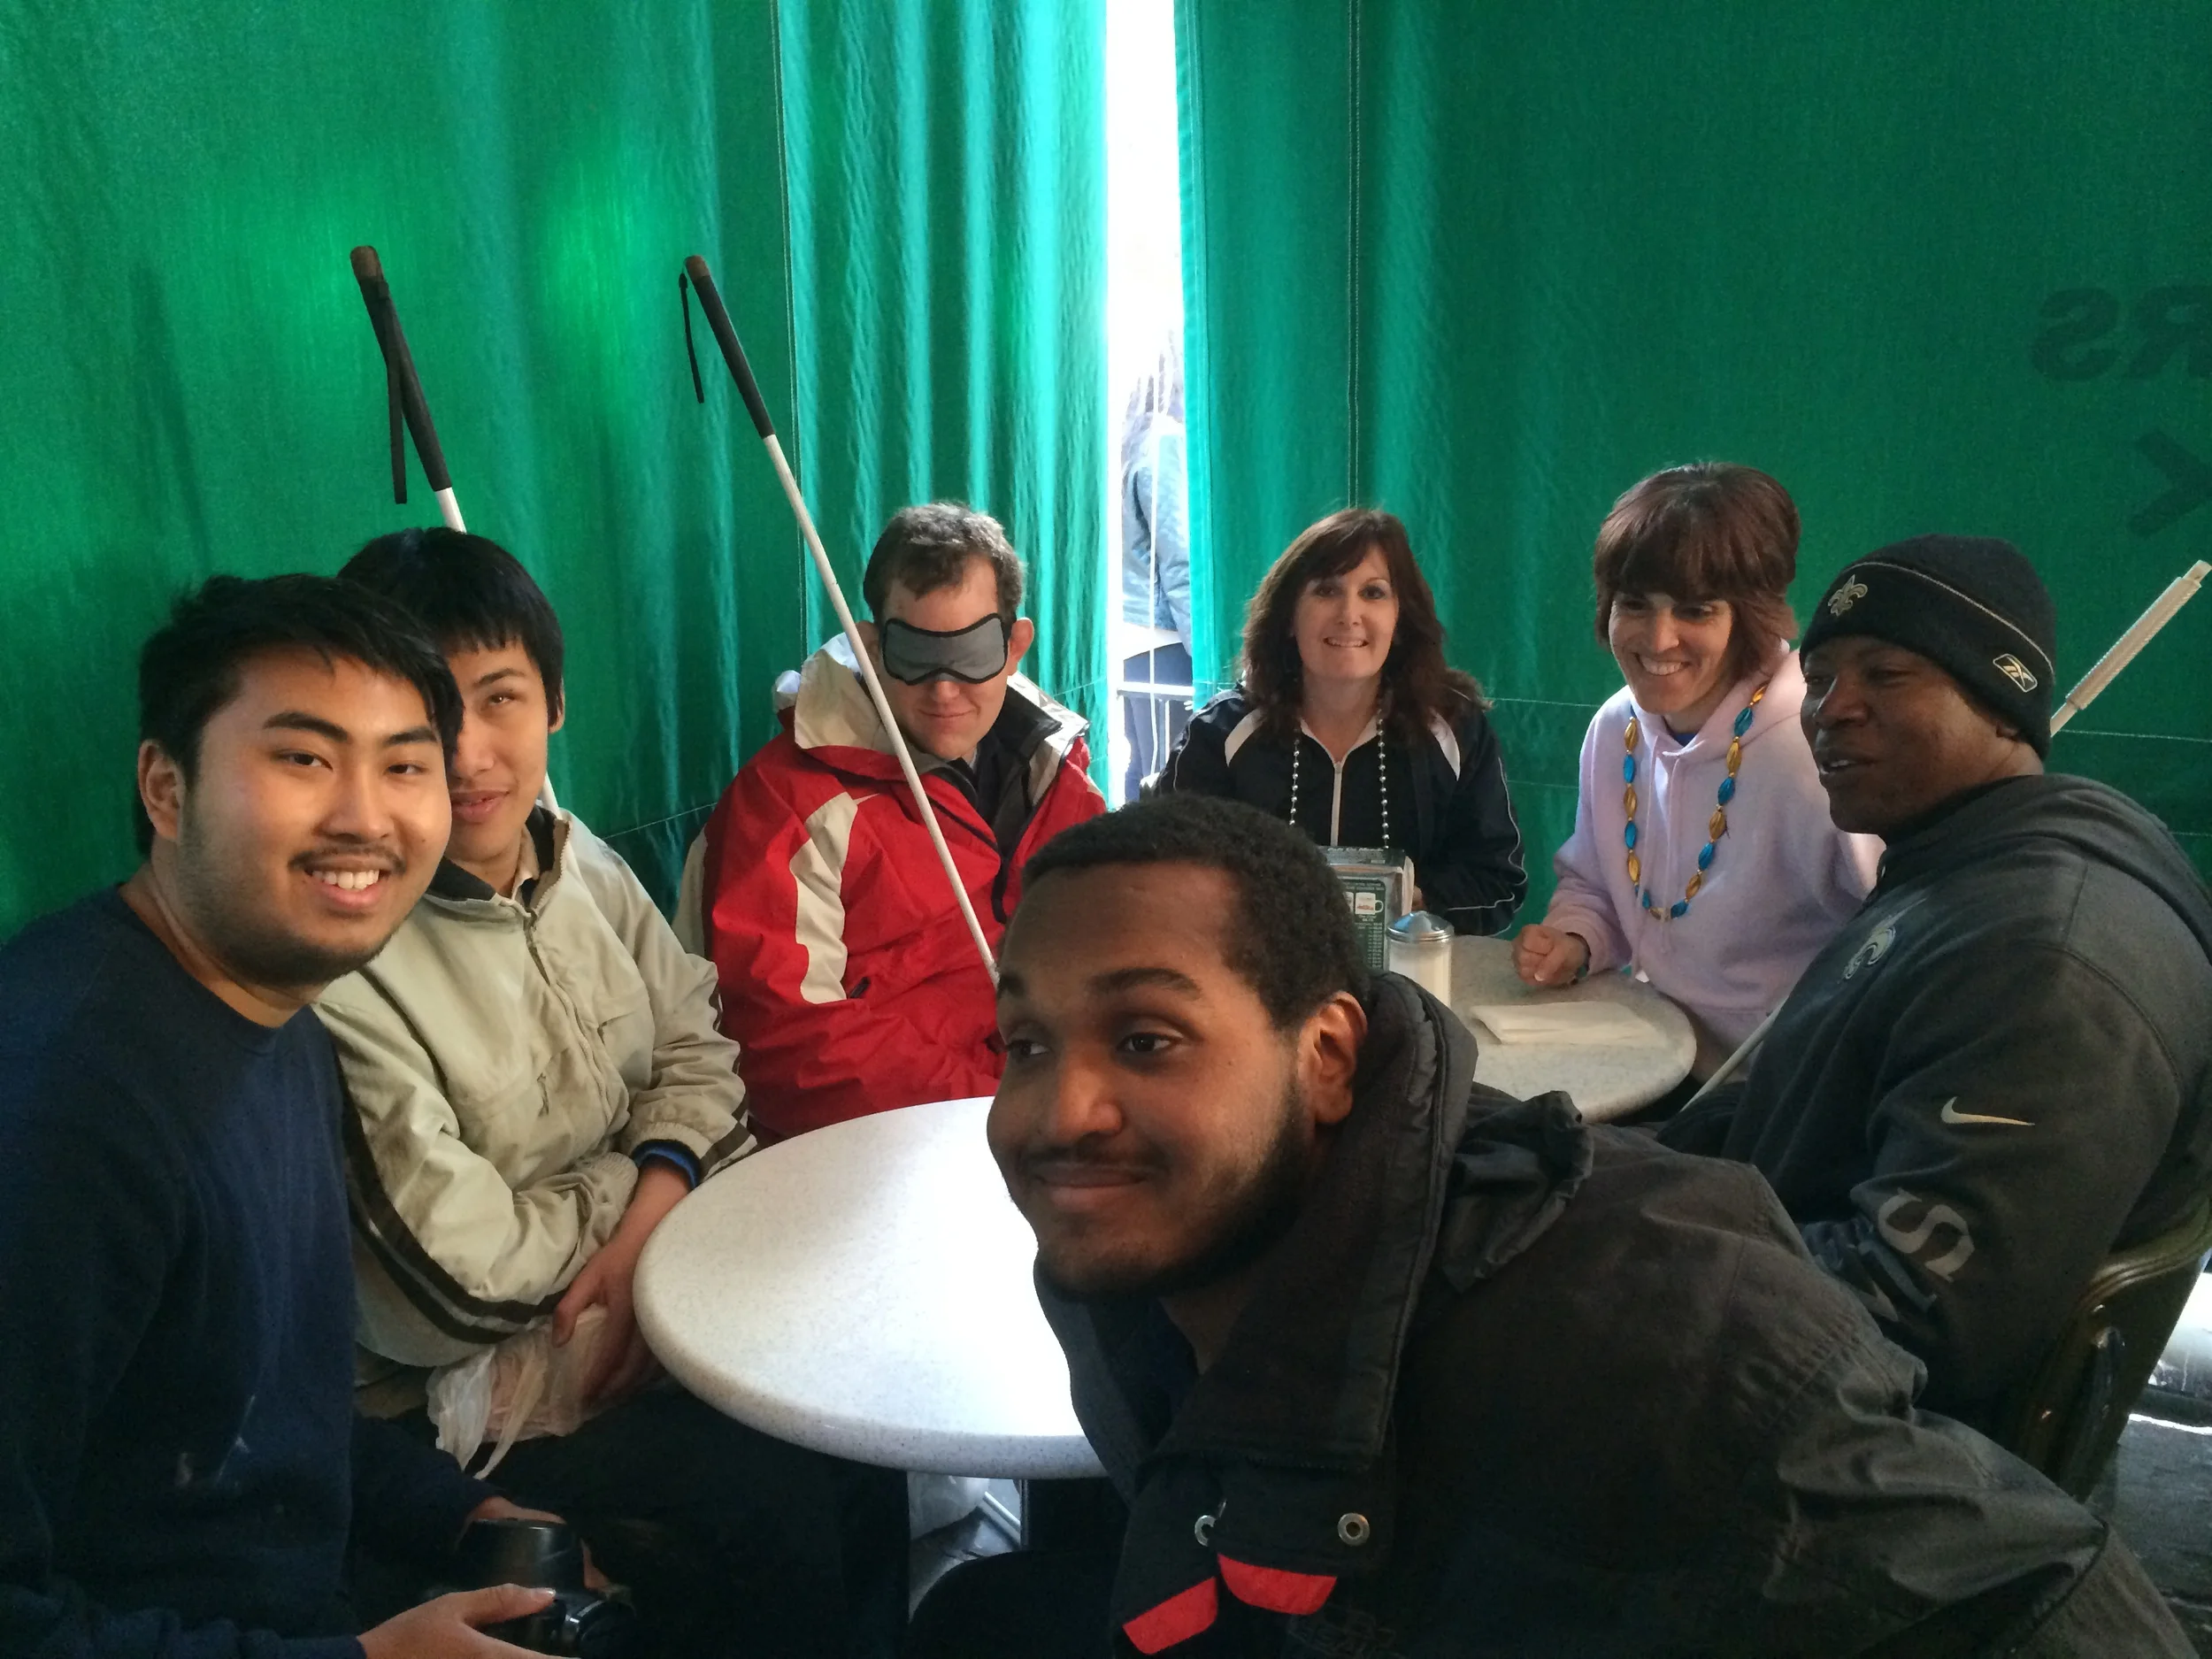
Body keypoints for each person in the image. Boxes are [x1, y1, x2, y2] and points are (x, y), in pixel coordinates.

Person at [907, 794, 2194, 1656]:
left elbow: (2043, 1606)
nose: (1060, 1110)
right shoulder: (1127, 1267)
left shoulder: (1655, 1339)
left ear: (1330, 1057)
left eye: (1147, 1038)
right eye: (1026, 1040)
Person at [325, 529, 907, 1657]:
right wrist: (649, 1214)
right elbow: (454, 1285)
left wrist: (649, 1223)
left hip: (652, 1278)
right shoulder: (353, 947)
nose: (466, 751)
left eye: (498, 698)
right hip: (464, 1398)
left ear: (554, 705)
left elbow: (706, 1058)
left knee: (857, 1409)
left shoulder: (577, 857)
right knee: (767, 1492)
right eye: (425, 712)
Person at [0, 574, 582, 1658]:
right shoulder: (61, 1108)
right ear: (165, 790)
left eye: (405, 766)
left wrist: (454, 1512)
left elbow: (265, 1416)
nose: (364, 817)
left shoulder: (286, 1030)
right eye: (304, 759)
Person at [1663, 535, 2212, 1437]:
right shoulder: (1955, 865)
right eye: (1823, 676)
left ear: (2002, 706)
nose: (1832, 711)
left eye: (1886, 674)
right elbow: (1793, 1118)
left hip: (1846, 1468)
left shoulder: (2043, 966)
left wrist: (1638, 1258)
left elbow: (1916, 1317)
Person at [697, 501, 1105, 1137]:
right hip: (895, 1142)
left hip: (1053, 1102)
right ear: (871, 644)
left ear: (1015, 645)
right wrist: (997, 1103)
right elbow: (787, 1043)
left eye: (970, 652)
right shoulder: (784, 804)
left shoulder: (1055, 770)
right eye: (915, 654)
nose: (944, 689)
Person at [1514, 464, 1878, 1079]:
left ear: (1751, 612)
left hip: (1772, 1091)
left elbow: (1901, 932)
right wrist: (1576, 938)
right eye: (1635, 604)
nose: (1659, 638)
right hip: (1641, 1058)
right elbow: (1596, 885)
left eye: (1694, 609)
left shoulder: (1815, 742)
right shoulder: (1613, 727)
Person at [1159, 509, 1525, 936]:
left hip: (1411, 977)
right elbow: (1168, 872)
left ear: (1400, 619)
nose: (1349, 614)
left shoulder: (1456, 729)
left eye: (1373, 593)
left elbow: (1498, 883)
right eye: (1327, 590)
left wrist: (1400, 897)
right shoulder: (1218, 734)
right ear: (1288, 618)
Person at [1118, 340, 1192, 801]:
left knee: (1143, 776)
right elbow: (1179, 557)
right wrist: (1209, 661)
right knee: (1173, 782)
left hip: (1134, 637)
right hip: (1165, 641)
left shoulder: (1135, 436)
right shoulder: (1166, 440)